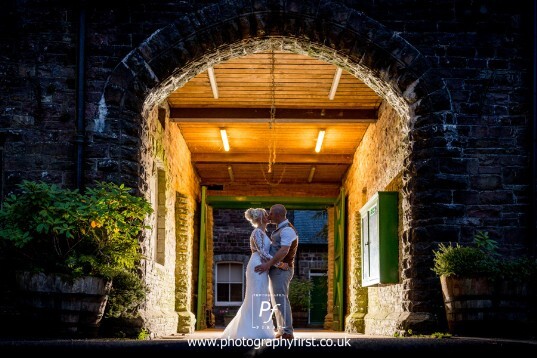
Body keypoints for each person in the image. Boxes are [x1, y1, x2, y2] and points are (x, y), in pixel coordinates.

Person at [221, 207, 288, 339]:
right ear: (261, 218)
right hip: (258, 265)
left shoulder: (263, 233)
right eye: (265, 214)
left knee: (262, 296)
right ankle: (252, 330)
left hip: (263, 265)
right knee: (256, 296)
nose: (268, 215)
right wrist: (279, 264)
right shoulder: (257, 232)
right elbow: (263, 252)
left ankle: (260, 327)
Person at [254, 204, 298, 340]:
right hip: (277, 269)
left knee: (281, 299)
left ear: (278, 215)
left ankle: (288, 332)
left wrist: (268, 264)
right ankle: (281, 329)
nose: (269, 216)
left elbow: (284, 250)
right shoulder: (281, 229)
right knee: (276, 300)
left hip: (282, 269)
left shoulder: (287, 230)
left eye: (271, 213)